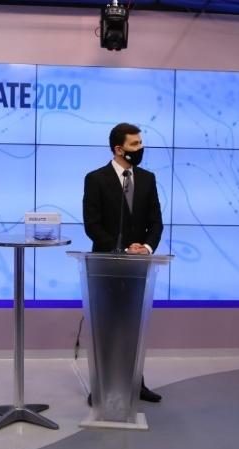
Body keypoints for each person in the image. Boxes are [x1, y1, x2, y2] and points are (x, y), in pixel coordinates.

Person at [82, 123, 164, 403]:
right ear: (119, 149)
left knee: (133, 327)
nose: (140, 149)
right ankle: (101, 386)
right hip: (105, 266)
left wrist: (147, 246)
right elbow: (92, 226)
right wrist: (120, 248)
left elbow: (156, 222)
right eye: (135, 145)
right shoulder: (95, 179)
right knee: (107, 328)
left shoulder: (149, 179)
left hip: (139, 268)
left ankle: (136, 383)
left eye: (141, 143)